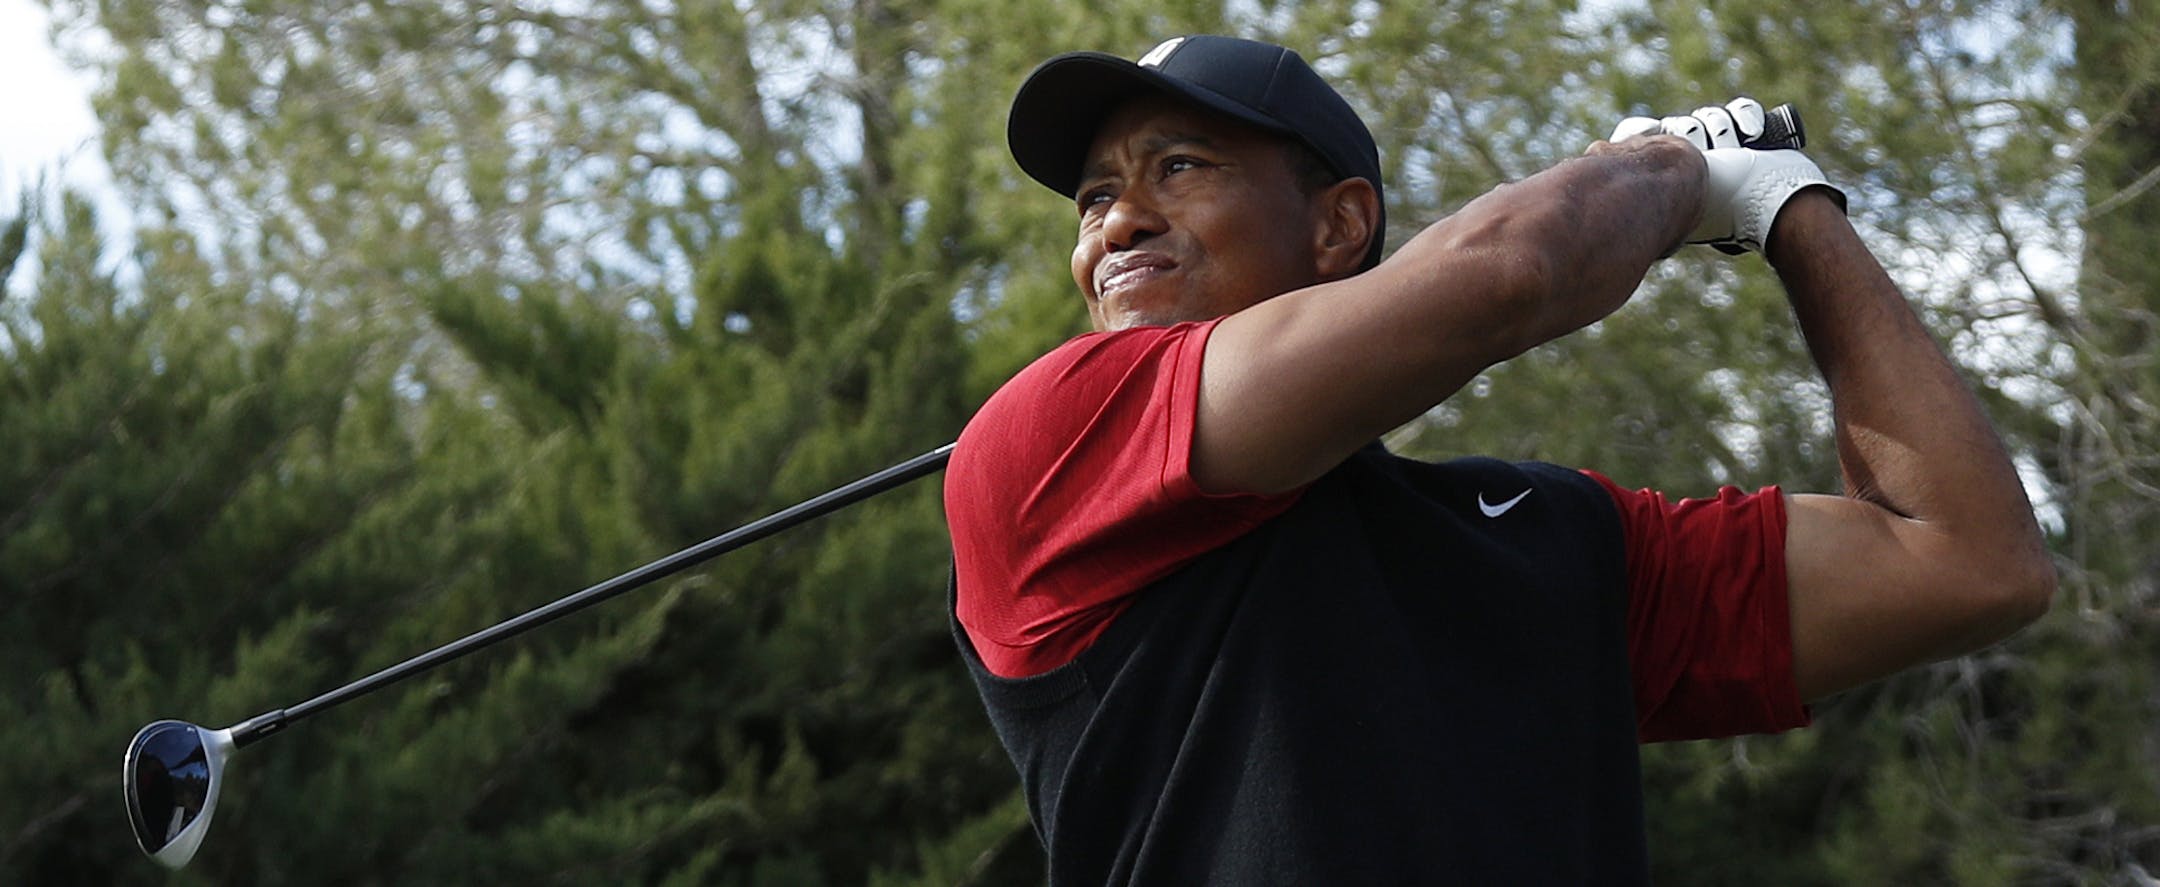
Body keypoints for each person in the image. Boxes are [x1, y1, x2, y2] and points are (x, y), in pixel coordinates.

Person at [942, 35, 2054, 884]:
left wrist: (1792, 207)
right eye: (1096, 196)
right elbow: (1513, 272)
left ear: (1339, 230)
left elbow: (1969, 559)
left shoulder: (1548, 534)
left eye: (1177, 167)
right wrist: (1671, 165)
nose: (1117, 223)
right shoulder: (1045, 438)